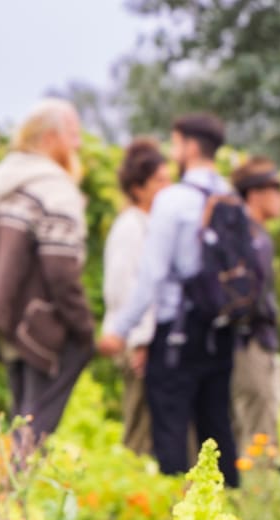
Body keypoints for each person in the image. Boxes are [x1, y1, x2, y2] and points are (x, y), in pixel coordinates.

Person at [96, 113, 241, 487]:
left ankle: (174, 516)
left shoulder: (174, 200)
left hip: (178, 329)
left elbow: (153, 274)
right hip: (222, 327)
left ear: (190, 146)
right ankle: (230, 513)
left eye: (175, 143)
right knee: (217, 426)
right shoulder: (229, 194)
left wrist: (120, 329)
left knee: (171, 430)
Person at [0, 99, 94, 446]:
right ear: (50, 137)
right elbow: (61, 270)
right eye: (73, 134)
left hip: (6, 322)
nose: (78, 144)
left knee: (22, 421)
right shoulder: (53, 186)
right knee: (35, 430)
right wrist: (84, 327)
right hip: (40, 322)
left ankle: (11, 496)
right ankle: (19, 498)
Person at [100, 138, 171, 456]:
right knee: (141, 427)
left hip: (152, 338)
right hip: (139, 341)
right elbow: (123, 289)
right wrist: (139, 339)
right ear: (138, 188)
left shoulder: (152, 224)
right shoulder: (130, 227)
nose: (167, 188)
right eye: (159, 181)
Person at [229, 157, 280, 455]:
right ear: (253, 194)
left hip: (247, 341)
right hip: (250, 342)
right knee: (259, 426)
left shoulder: (253, 234)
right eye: (274, 188)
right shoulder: (250, 237)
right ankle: (259, 492)